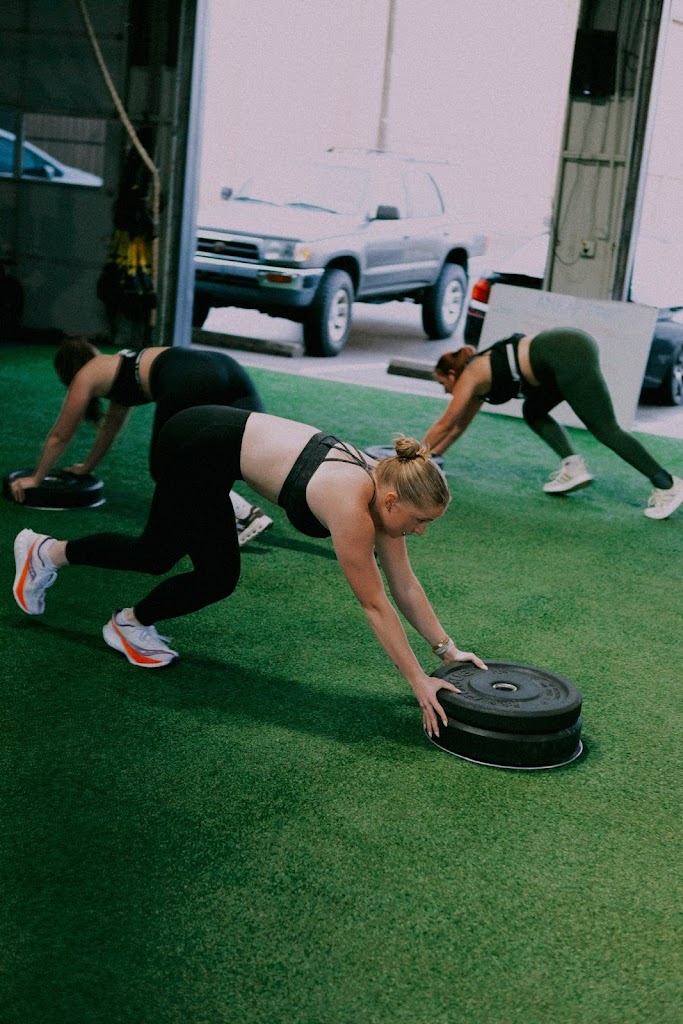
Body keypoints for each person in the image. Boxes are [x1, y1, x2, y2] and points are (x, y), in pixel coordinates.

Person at [12, 408, 487, 737]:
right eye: (420, 520)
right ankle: (53, 559)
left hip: (215, 446)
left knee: (202, 569)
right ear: (393, 501)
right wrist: (416, 681)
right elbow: (374, 603)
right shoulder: (351, 504)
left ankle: (107, 603)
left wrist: (446, 649)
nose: (421, 531)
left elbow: (404, 584)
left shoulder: (389, 486)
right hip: (194, 443)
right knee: (165, 557)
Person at [9, 338, 273, 544]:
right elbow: (110, 429)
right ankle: (263, 511)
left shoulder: (86, 374)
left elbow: (60, 435)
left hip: (187, 376)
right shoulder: (118, 366)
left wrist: (36, 478)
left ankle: (244, 514)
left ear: (67, 371)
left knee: (165, 468)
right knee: (248, 453)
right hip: (227, 367)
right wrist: (87, 467)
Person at [424, 328, 683, 520]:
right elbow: (458, 426)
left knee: (606, 429)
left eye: (443, 384)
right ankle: (574, 466)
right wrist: (434, 455)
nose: (445, 391)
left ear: (452, 374)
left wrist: (411, 458)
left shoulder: (470, 374)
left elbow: (446, 423)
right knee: (534, 410)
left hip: (565, 350)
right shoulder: (478, 381)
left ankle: (668, 485)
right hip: (559, 356)